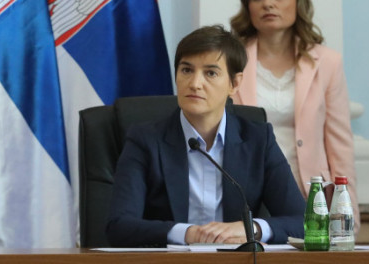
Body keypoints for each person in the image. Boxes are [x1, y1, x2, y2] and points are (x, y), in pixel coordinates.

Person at [106, 25, 305, 247]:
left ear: (234, 83)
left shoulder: (258, 140)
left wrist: (251, 228)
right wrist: (188, 234)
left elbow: (303, 222)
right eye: (186, 70)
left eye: (210, 73)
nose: (195, 83)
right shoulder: (145, 140)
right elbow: (119, 226)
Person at [230, 0, 357, 226]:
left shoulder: (328, 62)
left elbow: (340, 145)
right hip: (246, 193)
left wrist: (348, 215)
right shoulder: (229, 60)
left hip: (308, 192)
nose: (268, 3)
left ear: (298, 1)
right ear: (247, 6)